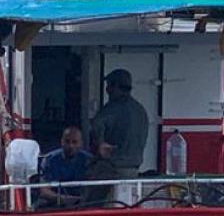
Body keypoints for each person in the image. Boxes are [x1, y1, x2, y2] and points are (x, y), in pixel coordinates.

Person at [86, 68, 149, 204]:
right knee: (125, 207)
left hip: (110, 169)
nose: (107, 90)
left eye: (109, 85)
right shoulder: (140, 110)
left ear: (115, 86)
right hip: (133, 171)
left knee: (91, 204)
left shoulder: (112, 108)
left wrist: (100, 143)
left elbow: (96, 127)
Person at [35, 126, 92, 208]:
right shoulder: (49, 160)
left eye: (75, 142)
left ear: (81, 143)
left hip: (83, 203)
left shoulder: (89, 160)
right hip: (54, 202)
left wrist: (81, 199)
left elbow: (93, 189)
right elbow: (44, 191)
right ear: (61, 142)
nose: (71, 146)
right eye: (67, 141)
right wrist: (62, 199)